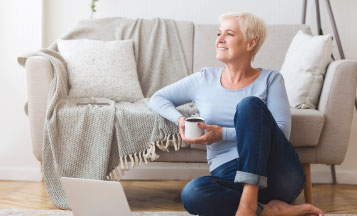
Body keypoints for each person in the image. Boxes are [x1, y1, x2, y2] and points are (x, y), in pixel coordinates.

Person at [148, 12, 324, 216]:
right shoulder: (204, 79)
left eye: (229, 34)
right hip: (228, 174)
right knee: (192, 193)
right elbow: (157, 98)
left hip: (277, 173)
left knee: (250, 106)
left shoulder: (270, 79)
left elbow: (282, 132)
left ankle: (249, 204)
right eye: (218, 33)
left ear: (251, 43)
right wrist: (180, 120)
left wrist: (221, 134)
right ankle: (266, 210)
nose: (219, 40)